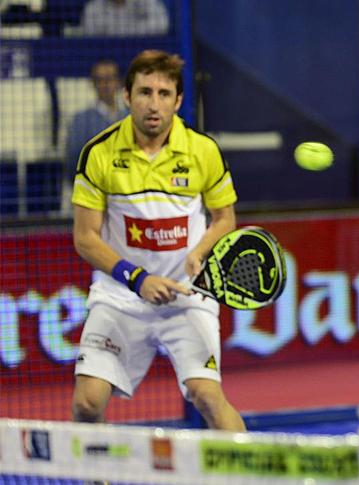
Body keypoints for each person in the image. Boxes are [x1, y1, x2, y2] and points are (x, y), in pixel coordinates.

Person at [70, 49, 245, 432]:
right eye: (145, 92)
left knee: (208, 396)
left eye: (164, 94)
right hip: (121, 296)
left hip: (186, 297)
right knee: (86, 403)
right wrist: (139, 280)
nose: (154, 104)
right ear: (127, 96)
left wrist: (199, 251)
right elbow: (85, 238)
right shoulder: (99, 153)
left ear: (178, 101)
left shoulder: (203, 151)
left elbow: (224, 219)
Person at [65, 59, 129, 181]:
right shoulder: (80, 121)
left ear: (118, 82)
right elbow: (73, 161)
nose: (105, 84)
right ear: (93, 83)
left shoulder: (130, 117)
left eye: (110, 78)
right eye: (100, 80)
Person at [80, 0, 169, 36]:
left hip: (141, 53)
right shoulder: (93, 7)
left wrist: (122, 31)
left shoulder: (145, 2)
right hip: (107, 58)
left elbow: (162, 24)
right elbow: (89, 33)